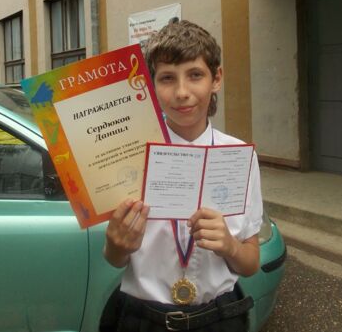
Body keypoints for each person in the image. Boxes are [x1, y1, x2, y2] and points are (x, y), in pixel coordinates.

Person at [103, 20, 263, 332]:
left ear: (216, 79)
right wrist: (117, 244)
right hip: (143, 319)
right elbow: (114, 259)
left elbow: (251, 263)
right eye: (167, 78)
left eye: (195, 75)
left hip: (220, 319)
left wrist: (230, 246)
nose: (181, 92)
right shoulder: (130, 156)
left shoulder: (239, 156)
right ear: (151, 85)